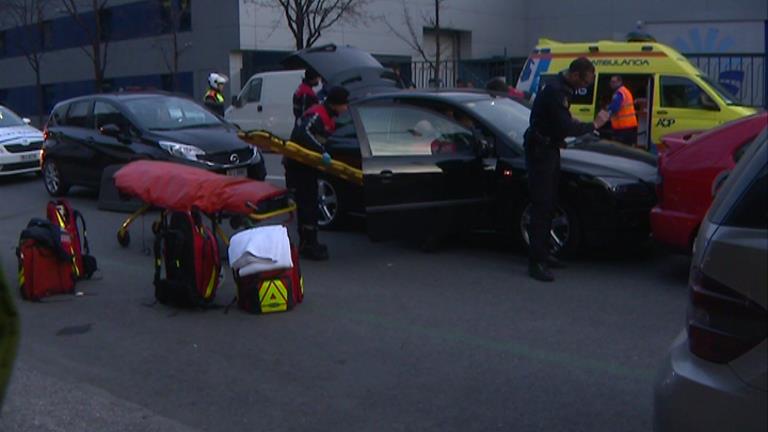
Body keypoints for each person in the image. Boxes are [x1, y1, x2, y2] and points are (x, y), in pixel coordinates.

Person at [524, 57, 610, 282]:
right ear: (574, 75)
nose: (584, 88)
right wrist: (594, 124)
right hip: (541, 152)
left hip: (549, 148)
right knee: (542, 205)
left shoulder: (561, 88)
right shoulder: (556, 91)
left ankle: (544, 253)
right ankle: (536, 262)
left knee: (551, 203)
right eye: (584, 83)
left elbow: (558, 122)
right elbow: (565, 126)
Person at [286, 86, 350, 261]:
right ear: (337, 104)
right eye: (345, 104)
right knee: (307, 204)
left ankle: (309, 242)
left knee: (310, 203)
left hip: (307, 165)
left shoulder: (328, 115)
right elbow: (303, 133)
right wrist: (321, 151)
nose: (346, 108)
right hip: (299, 165)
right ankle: (308, 244)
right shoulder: (317, 114)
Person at [607, 75, 639, 146]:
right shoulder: (625, 91)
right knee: (627, 148)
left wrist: (608, 108)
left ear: (620, 82)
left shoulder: (619, 93)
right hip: (629, 125)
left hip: (622, 126)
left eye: (614, 82)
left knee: (620, 148)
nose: (611, 84)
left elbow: (615, 108)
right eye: (611, 82)